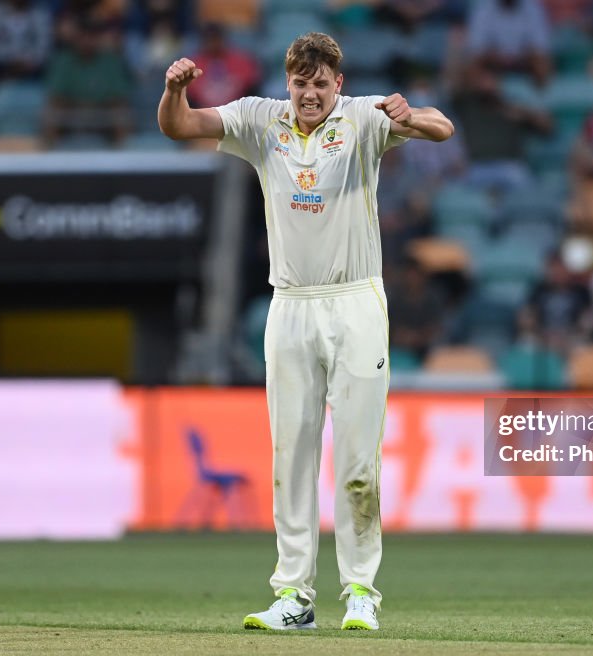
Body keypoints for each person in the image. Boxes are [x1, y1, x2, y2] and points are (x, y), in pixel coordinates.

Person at [158, 32, 454, 632]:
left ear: (337, 83)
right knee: (290, 455)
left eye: (321, 84)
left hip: (355, 302)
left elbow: (443, 127)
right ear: (287, 82)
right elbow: (180, 127)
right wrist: (172, 91)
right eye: (301, 84)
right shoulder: (259, 119)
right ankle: (293, 596)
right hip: (290, 303)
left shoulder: (364, 118)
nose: (310, 94)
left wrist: (410, 113)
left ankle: (361, 591)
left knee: (356, 459)